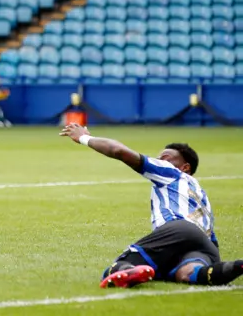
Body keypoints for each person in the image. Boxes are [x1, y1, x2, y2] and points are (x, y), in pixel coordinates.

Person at [59, 123, 243, 289]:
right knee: (187, 274)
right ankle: (232, 267)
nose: (160, 160)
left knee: (118, 266)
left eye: (166, 157)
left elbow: (118, 151)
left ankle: (130, 269)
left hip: (180, 229)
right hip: (206, 246)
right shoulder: (201, 194)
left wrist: (83, 137)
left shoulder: (171, 173)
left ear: (185, 167)